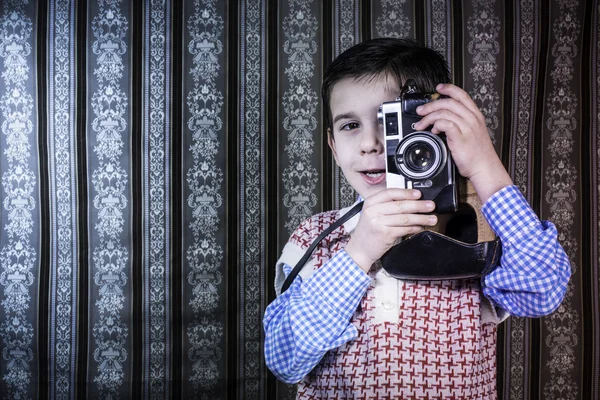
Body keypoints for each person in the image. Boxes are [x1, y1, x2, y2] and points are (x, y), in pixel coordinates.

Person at [263, 37, 571, 399]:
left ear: (437, 125)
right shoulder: (315, 236)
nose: (370, 143)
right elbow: (285, 360)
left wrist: (485, 167)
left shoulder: (476, 227)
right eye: (350, 126)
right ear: (332, 145)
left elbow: (542, 292)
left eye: (388, 121)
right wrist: (357, 255)